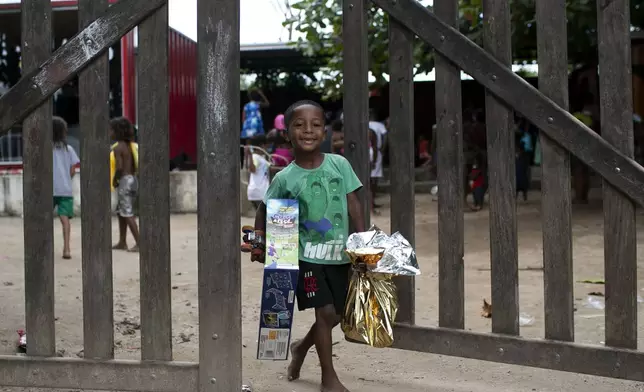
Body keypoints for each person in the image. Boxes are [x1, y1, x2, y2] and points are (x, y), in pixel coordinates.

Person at [252, 100, 365, 392]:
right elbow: (265, 210)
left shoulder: (340, 164)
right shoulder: (285, 177)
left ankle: (301, 347)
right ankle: (329, 377)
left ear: (324, 130)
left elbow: (353, 202)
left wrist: (363, 240)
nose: (308, 130)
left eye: (316, 124)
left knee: (339, 314)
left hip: (340, 255)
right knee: (325, 313)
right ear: (287, 133)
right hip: (305, 256)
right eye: (299, 125)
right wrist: (259, 240)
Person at [110, 117, 140, 252]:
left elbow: (119, 167)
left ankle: (140, 242)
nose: (109, 133)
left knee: (127, 213)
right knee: (122, 211)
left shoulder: (118, 148)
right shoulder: (130, 146)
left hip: (124, 181)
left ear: (117, 132)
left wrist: (114, 179)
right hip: (133, 180)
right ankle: (122, 242)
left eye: (111, 130)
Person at [52, 116, 80, 259]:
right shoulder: (68, 149)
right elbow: (73, 169)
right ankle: (67, 249)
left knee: (43, 220)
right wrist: (66, 180)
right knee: (65, 220)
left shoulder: (46, 148)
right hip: (65, 189)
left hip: (48, 190)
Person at [241, 88, 270, 166]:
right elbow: (267, 103)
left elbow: (243, 118)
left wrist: (245, 127)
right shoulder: (258, 104)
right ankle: (262, 162)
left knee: (248, 144)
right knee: (260, 143)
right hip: (257, 125)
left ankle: (246, 163)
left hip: (248, 126)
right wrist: (262, 94)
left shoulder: (246, 106)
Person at [245, 135, 271, 209]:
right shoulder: (255, 157)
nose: (268, 147)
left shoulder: (261, 158)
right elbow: (252, 169)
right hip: (260, 192)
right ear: (262, 145)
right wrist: (249, 155)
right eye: (267, 145)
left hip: (259, 192)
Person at [368, 110, 387, 209]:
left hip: (364, 154)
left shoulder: (363, 126)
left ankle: (369, 203)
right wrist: (383, 148)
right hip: (375, 153)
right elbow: (385, 137)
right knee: (374, 178)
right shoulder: (378, 127)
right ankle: (372, 202)